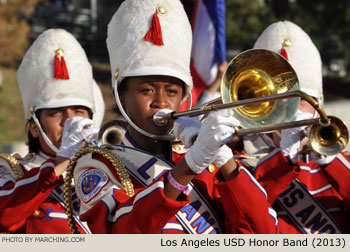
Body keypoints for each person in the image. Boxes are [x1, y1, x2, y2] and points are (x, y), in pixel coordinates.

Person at [70, 0, 279, 234]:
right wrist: (190, 165)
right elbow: (121, 233)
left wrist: (223, 158)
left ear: (183, 97)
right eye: (147, 90)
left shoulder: (205, 161)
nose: (160, 101)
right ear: (122, 96)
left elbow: (263, 233)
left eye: (171, 91)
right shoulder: (97, 165)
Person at [251, 21, 350, 234]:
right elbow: (245, 221)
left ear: (318, 107)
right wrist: (282, 160)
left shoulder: (343, 164)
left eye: (301, 99)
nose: (292, 110)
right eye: (280, 100)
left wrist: (331, 161)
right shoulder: (241, 162)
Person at [0, 29, 99, 233]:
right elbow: (5, 218)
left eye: (79, 111)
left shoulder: (106, 170)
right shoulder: (12, 170)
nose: (70, 120)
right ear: (35, 128)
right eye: (56, 113)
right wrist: (60, 162)